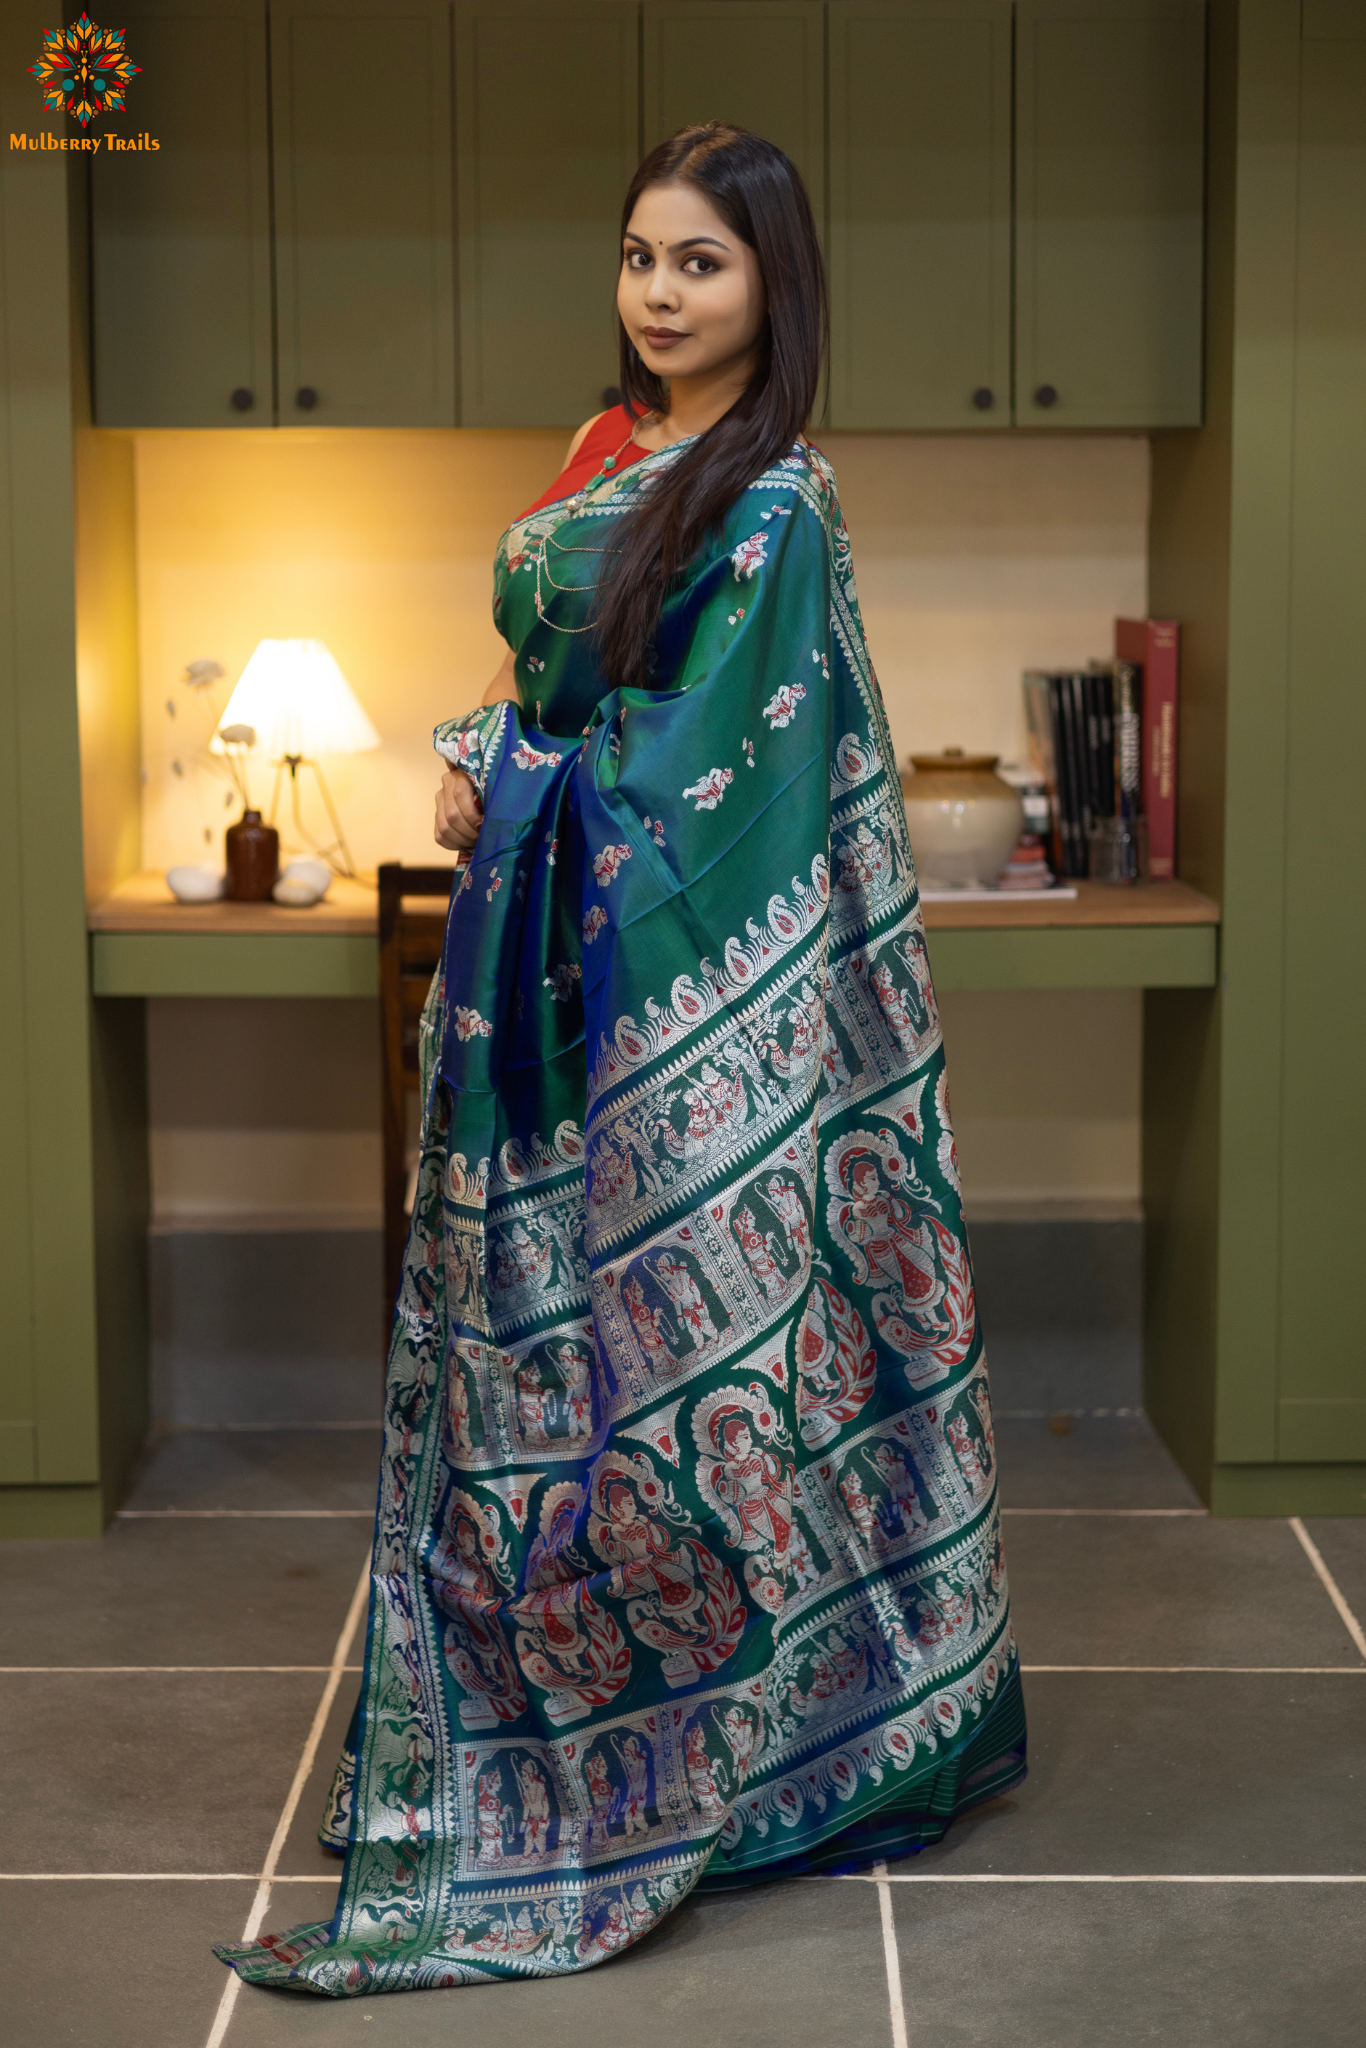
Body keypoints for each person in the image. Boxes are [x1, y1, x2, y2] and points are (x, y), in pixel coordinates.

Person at [216, 121, 1024, 2001]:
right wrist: (492, 728)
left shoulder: (780, 498)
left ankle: (746, 1761)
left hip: (670, 1018)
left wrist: (505, 772)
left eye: (701, 266)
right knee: (536, 1366)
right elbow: (556, 684)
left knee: (694, 1371)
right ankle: (544, 1709)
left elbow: (695, 775)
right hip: (550, 995)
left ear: (774, 287)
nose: (658, 294)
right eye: (641, 256)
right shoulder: (612, 452)